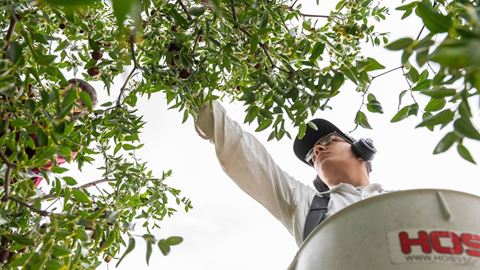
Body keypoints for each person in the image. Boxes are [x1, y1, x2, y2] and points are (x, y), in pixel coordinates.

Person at [194, 101, 388, 246]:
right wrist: (200, 101)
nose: (318, 150)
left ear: (362, 150)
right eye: (312, 155)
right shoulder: (307, 204)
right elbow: (252, 161)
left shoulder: (404, 200)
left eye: (328, 140)